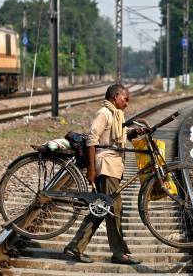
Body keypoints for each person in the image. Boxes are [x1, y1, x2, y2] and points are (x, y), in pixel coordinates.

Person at [63, 84, 147, 264]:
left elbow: (119, 138)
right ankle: (119, 254)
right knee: (114, 208)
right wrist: (91, 170)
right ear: (115, 96)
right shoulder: (104, 113)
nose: (127, 104)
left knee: (101, 208)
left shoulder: (117, 115)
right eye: (125, 99)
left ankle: (75, 247)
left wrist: (134, 133)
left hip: (114, 166)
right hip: (106, 165)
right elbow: (91, 139)